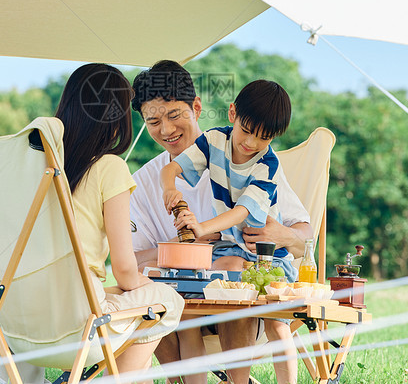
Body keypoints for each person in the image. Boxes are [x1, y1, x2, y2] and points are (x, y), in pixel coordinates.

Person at [130, 61, 313, 384]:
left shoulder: (259, 163)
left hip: (243, 297)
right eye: (154, 121)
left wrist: (279, 235)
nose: (167, 129)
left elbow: (303, 236)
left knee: (233, 270)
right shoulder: (142, 183)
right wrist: (185, 249)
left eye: (174, 116)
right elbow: (130, 262)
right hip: (180, 304)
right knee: (160, 293)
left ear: (196, 108)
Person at [55, 63, 184, 382]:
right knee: (167, 299)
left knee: (133, 300)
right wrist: (151, 286)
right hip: (78, 322)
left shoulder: (42, 164)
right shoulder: (108, 167)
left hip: (20, 322)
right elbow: (126, 272)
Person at [163, 79, 296, 281]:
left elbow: (241, 212)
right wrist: (169, 188)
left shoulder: (268, 166)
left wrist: (201, 227)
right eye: (246, 130)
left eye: (264, 137)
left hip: (266, 258)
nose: (251, 143)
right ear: (233, 113)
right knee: (188, 273)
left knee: (229, 273)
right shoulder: (213, 140)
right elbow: (170, 168)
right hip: (227, 248)